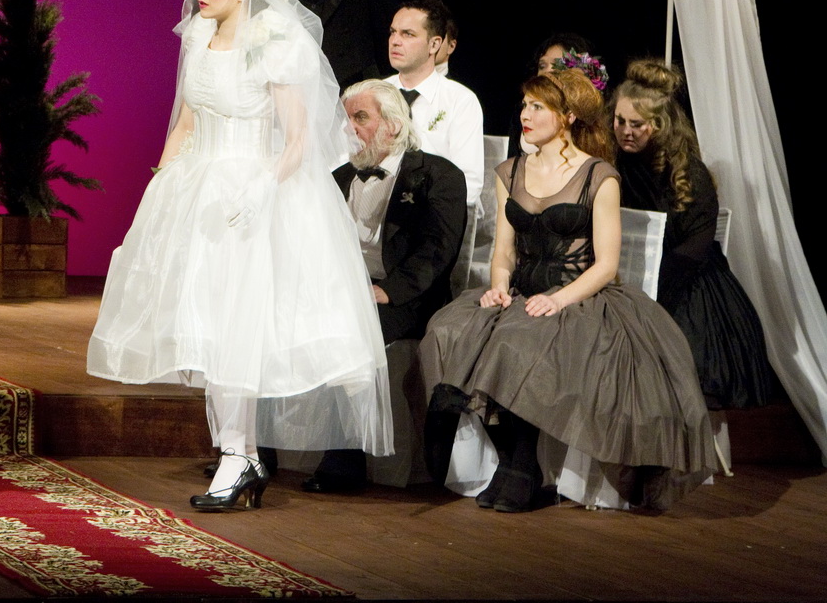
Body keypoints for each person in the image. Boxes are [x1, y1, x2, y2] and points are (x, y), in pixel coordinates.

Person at [89, 0, 390, 512]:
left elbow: (299, 139)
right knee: (209, 327)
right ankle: (240, 454)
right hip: (199, 192)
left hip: (253, 193)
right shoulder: (199, 35)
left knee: (237, 329)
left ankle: (238, 457)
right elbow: (186, 120)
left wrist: (262, 186)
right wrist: (158, 187)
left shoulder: (274, 40)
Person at [421, 68, 717, 513]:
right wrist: (498, 286)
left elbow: (607, 265)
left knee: (518, 341)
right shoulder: (510, 171)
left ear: (567, 117)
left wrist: (559, 298)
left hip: (577, 296)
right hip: (521, 291)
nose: (525, 114)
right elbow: (504, 252)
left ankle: (522, 467)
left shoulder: (599, 176)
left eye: (538, 107)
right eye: (525, 105)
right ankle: (503, 457)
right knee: (447, 330)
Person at [304, 80, 467, 494]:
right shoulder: (338, 178)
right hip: (345, 291)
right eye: (346, 119)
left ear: (393, 125)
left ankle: (345, 458)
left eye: (360, 117)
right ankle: (256, 454)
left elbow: (438, 249)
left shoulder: (438, 176)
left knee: (351, 329)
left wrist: (387, 291)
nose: (350, 128)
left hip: (407, 297)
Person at [612, 59, 779, 409]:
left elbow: (694, 249)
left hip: (687, 283)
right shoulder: (614, 165)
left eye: (637, 124)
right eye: (620, 120)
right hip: (627, 276)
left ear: (660, 124)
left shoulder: (689, 173)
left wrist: (648, 294)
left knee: (686, 364)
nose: (626, 130)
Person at [384, 0, 484, 206]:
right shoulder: (373, 93)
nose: (395, 41)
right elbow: (345, 160)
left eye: (408, 34)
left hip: (431, 214)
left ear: (435, 44)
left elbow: (468, 184)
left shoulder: (460, 100)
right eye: (393, 32)